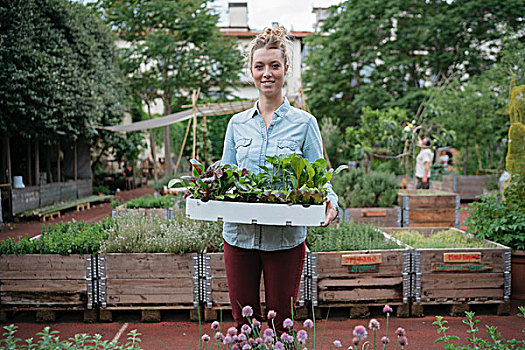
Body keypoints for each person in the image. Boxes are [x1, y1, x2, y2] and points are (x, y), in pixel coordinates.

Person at [220, 25, 339, 333]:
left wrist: (329, 200)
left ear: (287, 68)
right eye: (260, 66)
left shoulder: (304, 124)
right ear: (251, 70)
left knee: (282, 323)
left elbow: (320, 175)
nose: (267, 73)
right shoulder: (237, 125)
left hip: (285, 240)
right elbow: (225, 176)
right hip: (239, 237)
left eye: (274, 65)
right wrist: (203, 195)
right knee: (243, 323)